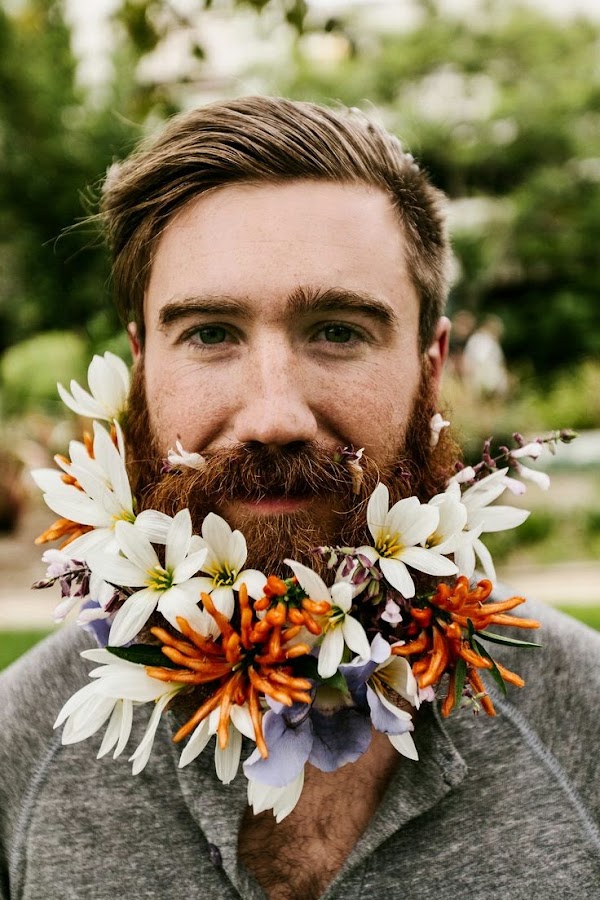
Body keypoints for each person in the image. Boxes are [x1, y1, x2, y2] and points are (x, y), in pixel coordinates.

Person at [0, 97, 598, 900]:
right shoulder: (18, 747)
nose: (274, 417)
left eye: (339, 331)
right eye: (210, 332)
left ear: (431, 366)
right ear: (140, 369)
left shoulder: (586, 721)